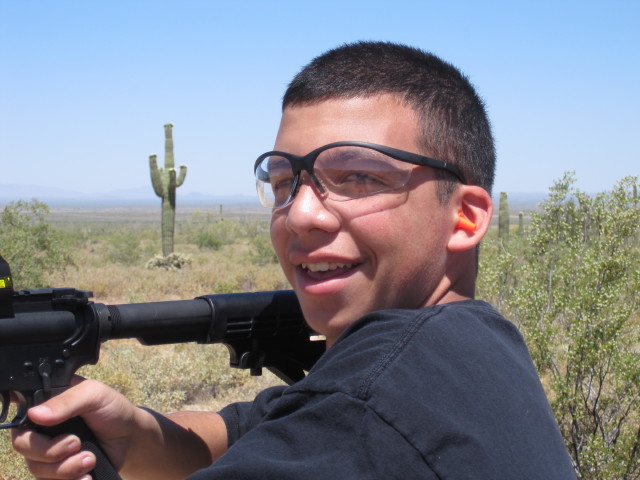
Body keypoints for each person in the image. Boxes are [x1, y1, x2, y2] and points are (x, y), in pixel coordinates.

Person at [12, 41, 576, 479]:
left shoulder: (372, 405)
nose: (299, 214)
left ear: (466, 218)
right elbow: (245, 430)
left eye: (358, 176)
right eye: (284, 182)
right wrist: (136, 435)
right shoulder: (461, 346)